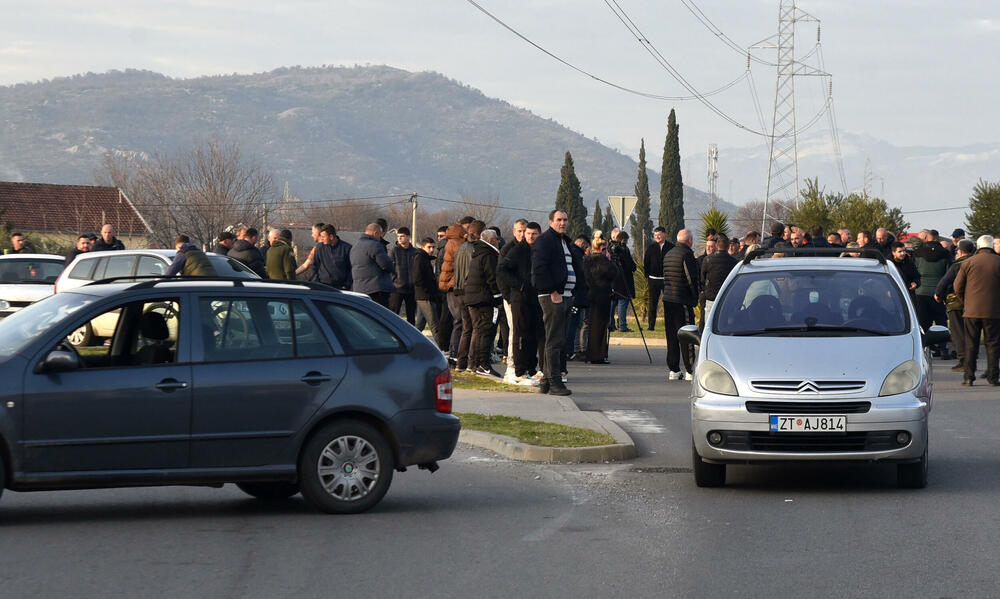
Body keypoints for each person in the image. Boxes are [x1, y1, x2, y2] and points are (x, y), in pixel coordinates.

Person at [531, 209, 579, 396]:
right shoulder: (545, 241)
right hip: (553, 296)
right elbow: (539, 268)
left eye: (565, 220)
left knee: (558, 340)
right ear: (551, 222)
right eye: (559, 220)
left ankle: (545, 380)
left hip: (566, 295)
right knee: (554, 340)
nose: (562, 223)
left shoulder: (564, 241)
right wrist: (552, 291)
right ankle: (555, 382)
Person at [498, 221, 541, 386]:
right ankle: (518, 371)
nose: (530, 236)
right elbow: (501, 270)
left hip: (535, 298)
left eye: (533, 233)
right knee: (519, 334)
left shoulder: (539, 250)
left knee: (532, 335)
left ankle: (531, 368)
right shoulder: (517, 250)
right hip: (519, 298)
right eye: (527, 233)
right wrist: (519, 286)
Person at [954, 235, 1000, 386]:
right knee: (992, 344)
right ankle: (993, 378)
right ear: (992, 246)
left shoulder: (968, 262)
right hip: (994, 310)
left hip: (971, 310)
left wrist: (965, 301)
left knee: (971, 344)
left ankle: (968, 377)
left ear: (978, 247)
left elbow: (957, 287)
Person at [464, 228, 503, 377]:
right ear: (491, 240)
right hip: (485, 299)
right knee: (487, 331)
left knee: (479, 331)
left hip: (474, 298)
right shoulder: (489, 255)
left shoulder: (478, 252)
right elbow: (492, 278)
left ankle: (476, 363)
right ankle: (484, 364)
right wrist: (498, 298)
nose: (499, 242)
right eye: (497, 239)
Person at [662, 229, 699, 380]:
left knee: (671, 335)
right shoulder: (687, 255)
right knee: (687, 334)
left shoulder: (668, 253)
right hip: (682, 299)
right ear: (689, 240)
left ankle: (674, 369)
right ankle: (690, 369)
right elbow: (691, 279)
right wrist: (694, 297)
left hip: (668, 298)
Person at [935, 239, 975, 372]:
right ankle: (972, 360)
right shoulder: (976, 262)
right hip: (974, 303)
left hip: (956, 303)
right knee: (971, 333)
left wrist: (938, 294)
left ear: (961, 251)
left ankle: (963, 360)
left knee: (958, 333)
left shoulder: (957, 265)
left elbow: (945, 281)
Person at [913, 229, 952, 357]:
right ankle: (943, 349)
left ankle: (926, 349)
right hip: (938, 292)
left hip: (921, 292)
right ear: (938, 239)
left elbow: (913, 271)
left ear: (927, 238)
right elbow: (949, 274)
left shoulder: (918, 253)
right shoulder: (945, 253)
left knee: (924, 322)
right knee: (941, 320)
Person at [451, 221, 482, 371]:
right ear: (479, 234)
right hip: (470, 292)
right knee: (476, 327)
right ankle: (472, 362)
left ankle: (460, 363)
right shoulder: (475, 250)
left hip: (458, 291)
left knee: (466, 328)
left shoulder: (460, 248)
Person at [438, 221, 468, 366]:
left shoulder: (449, 242)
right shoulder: (458, 243)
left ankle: (454, 352)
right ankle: (455, 354)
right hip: (454, 286)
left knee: (457, 321)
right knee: (460, 322)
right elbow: (460, 265)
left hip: (449, 285)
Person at [584, 236, 616, 364]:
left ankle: (592, 353)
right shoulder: (602, 261)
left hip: (591, 294)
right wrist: (609, 260)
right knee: (600, 326)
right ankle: (597, 355)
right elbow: (614, 273)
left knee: (592, 325)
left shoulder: (587, 260)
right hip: (602, 294)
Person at [350, 223, 395, 306]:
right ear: (376, 233)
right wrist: (393, 265)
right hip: (376, 289)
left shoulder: (355, 247)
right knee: (381, 316)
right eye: (380, 235)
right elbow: (386, 265)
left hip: (359, 289)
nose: (380, 238)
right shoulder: (375, 245)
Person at [700, 235, 738, 332]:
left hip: (711, 297)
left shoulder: (708, 260)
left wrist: (703, 289)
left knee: (709, 327)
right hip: (728, 298)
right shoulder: (734, 262)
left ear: (716, 246)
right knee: (727, 328)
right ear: (728, 246)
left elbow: (702, 278)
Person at [644, 226, 673, 331]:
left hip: (667, 280)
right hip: (653, 279)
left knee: (668, 303)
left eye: (659, 234)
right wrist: (647, 275)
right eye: (655, 235)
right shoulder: (651, 247)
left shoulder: (671, 247)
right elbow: (646, 262)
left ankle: (669, 325)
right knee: (653, 303)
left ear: (664, 234)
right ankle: (651, 326)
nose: (657, 237)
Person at [413, 237, 440, 338]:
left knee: (419, 324)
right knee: (434, 324)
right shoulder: (420, 258)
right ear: (423, 247)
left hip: (424, 295)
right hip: (425, 296)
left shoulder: (424, 258)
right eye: (429, 247)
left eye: (433, 247)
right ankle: (442, 350)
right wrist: (427, 290)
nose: (432, 250)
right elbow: (417, 278)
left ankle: (411, 345)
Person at [389, 227, 417, 325]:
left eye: (402, 236)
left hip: (411, 288)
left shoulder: (414, 252)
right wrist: (394, 280)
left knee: (411, 316)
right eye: (398, 236)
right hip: (397, 288)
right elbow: (390, 268)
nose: (399, 238)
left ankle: (411, 337)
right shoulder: (394, 251)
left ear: (408, 237)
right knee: (393, 314)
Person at [609, 231, 636, 332]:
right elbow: (630, 264)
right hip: (623, 280)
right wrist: (634, 267)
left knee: (613, 302)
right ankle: (622, 325)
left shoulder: (610, 248)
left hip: (614, 279)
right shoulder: (624, 249)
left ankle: (610, 324)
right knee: (623, 302)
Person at [313, 225, 352, 289]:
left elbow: (351, 268)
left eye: (323, 237)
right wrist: (316, 282)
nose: (321, 239)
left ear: (331, 237)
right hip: (322, 286)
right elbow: (314, 265)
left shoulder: (347, 248)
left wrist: (347, 284)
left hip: (340, 287)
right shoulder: (319, 248)